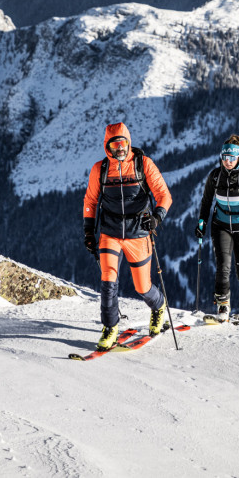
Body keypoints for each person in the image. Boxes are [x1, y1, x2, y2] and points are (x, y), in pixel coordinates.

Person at [83, 122, 172, 350]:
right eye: (115, 145)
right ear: (108, 147)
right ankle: (110, 327)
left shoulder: (143, 164)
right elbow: (91, 201)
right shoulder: (100, 170)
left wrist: (156, 218)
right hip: (110, 232)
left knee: (142, 287)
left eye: (123, 143)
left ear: (128, 143)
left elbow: (163, 195)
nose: (120, 149)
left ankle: (159, 306)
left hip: (138, 232)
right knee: (108, 281)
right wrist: (88, 231)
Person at [195, 135, 239, 322]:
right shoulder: (215, 176)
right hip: (221, 226)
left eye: (232, 158)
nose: (227, 162)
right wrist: (201, 223)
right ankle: (222, 306)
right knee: (223, 268)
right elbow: (206, 202)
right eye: (224, 157)